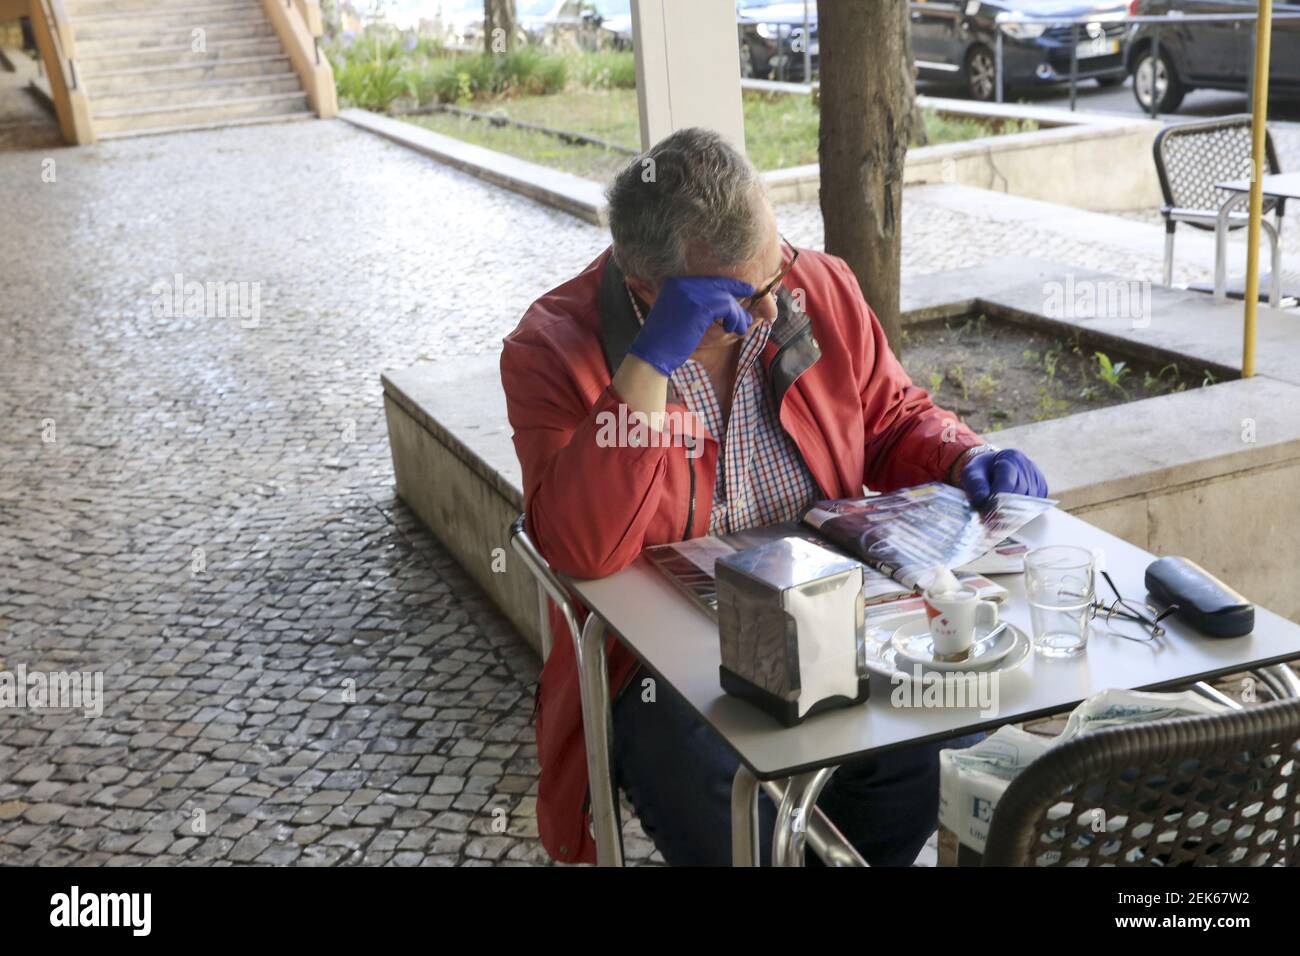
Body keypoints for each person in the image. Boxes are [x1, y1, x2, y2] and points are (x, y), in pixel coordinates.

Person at [500, 127, 1048, 866]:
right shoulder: (551, 348)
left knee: (916, 751)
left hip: (834, 615)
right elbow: (580, 547)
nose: (772, 309)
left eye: (776, 268)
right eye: (746, 295)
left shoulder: (813, 286)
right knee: (724, 809)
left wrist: (966, 454)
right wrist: (647, 366)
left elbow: (890, 419)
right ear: (645, 287)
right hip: (661, 665)